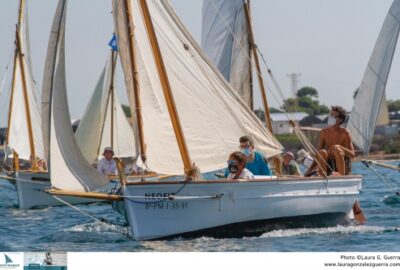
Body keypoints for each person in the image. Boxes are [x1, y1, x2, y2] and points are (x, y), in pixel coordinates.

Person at [305, 106, 355, 176]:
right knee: (322, 152)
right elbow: (318, 155)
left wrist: (340, 147)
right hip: (329, 164)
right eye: (330, 114)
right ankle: (323, 175)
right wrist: (310, 169)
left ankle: (341, 175)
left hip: (343, 164)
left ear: (340, 120)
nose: (331, 117)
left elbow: (352, 154)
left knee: (337, 150)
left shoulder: (345, 133)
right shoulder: (324, 132)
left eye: (334, 116)